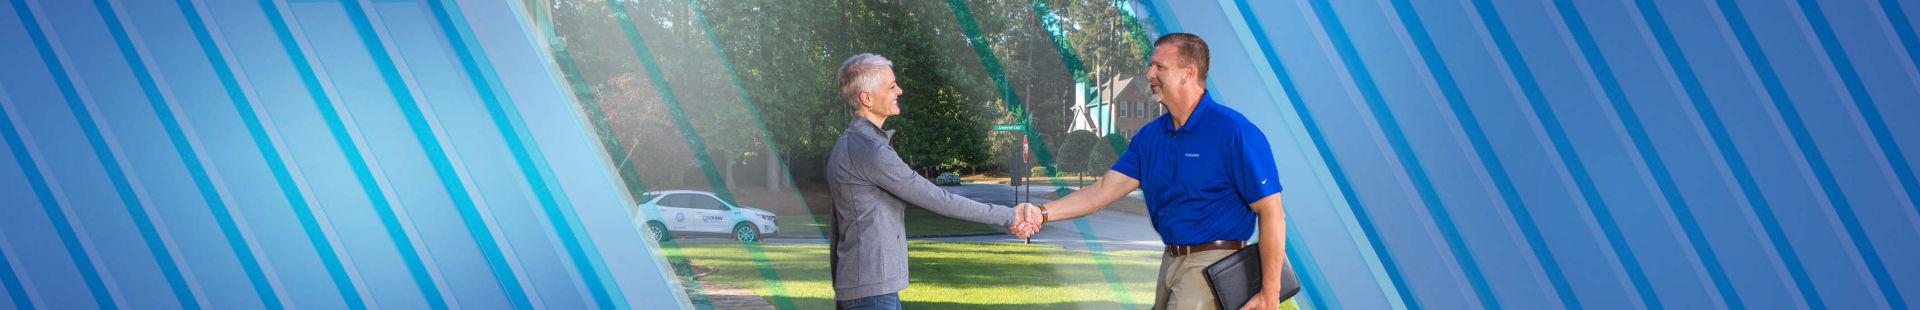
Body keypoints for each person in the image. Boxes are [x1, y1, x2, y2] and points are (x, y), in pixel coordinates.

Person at [1019, 33, 1288, 310]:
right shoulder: (1149, 137)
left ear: (1189, 73)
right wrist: (1042, 213)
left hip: (1213, 264)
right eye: (1151, 66)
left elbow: (1272, 212)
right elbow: (1102, 192)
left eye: (1160, 67)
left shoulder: (1234, 132)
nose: (1149, 74)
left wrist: (1270, 293)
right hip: (1170, 260)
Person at [825, 53, 1045, 310]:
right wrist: (1009, 216)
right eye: (891, 86)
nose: (900, 90)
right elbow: (938, 199)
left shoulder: (853, 143)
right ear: (867, 98)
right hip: (870, 293)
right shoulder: (870, 151)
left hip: (870, 288)